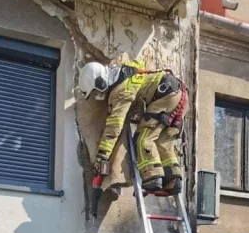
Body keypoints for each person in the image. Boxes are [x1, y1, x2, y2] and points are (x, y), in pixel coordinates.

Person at [78, 60, 187, 195]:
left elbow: (114, 126)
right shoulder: (126, 71)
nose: (99, 96)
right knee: (162, 141)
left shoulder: (119, 91)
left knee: (143, 139)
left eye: (96, 92)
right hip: (176, 92)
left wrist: (102, 155)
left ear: (100, 82)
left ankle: (152, 178)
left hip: (163, 95)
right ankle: (173, 181)